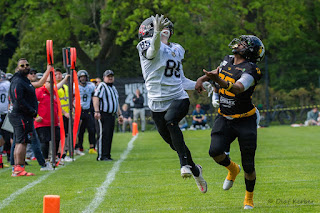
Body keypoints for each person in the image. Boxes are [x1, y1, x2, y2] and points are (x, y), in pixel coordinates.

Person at [136, 14, 209, 193]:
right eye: (159, 27)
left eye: (165, 27)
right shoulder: (145, 45)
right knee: (173, 143)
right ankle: (195, 170)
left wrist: (200, 84)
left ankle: (184, 165)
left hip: (178, 98)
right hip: (156, 104)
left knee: (171, 121)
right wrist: (156, 34)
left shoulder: (176, 49)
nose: (164, 29)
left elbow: (180, 80)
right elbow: (153, 52)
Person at [196, 35, 265, 209]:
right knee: (215, 151)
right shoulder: (228, 60)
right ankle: (233, 169)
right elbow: (217, 71)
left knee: (249, 165)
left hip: (245, 120)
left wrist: (216, 80)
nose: (238, 44)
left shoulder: (252, 70)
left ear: (248, 50)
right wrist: (202, 79)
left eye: (243, 43)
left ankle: (249, 198)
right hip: (224, 117)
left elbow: (238, 88)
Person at [8, 58, 53, 176]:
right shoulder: (18, 80)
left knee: (20, 141)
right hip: (20, 115)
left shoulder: (24, 80)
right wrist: (33, 112)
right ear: (18, 68)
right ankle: (18, 169)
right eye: (22, 65)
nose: (25, 67)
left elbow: (38, 84)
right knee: (21, 142)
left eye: (27, 65)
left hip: (22, 115)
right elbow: (19, 100)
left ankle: (18, 167)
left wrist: (48, 70)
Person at [34, 75, 69, 164]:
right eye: (50, 82)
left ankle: (55, 157)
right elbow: (32, 104)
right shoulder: (39, 91)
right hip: (42, 122)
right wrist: (35, 116)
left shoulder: (53, 92)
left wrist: (65, 79)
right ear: (44, 83)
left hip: (53, 122)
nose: (52, 84)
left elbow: (58, 86)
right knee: (45, 141)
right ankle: (45, 160)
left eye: (53, 82)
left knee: (57, 138)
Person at [93, 70, 123, 161]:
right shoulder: (102, 86)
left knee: (109, 135)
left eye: (111, 76)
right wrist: (97, 111)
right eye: (108, 76)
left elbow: (116, 102)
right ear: (104, 77)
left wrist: (120, 114)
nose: (110, 78)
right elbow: (96, 97)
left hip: (111, 115)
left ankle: (107, 155)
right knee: (103, 135)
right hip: (103, 114)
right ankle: (101, 156)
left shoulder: (113, 88)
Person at [77, 70, 97, 154]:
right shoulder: (76, 87)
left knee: (91, 129)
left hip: (88, 110)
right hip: (79, 111)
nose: (83, 79)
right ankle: (80, 146)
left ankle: (92, 147)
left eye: (84, 77)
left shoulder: (91, 86)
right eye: (81, 77)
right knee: (80, 130)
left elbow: (95, 95)